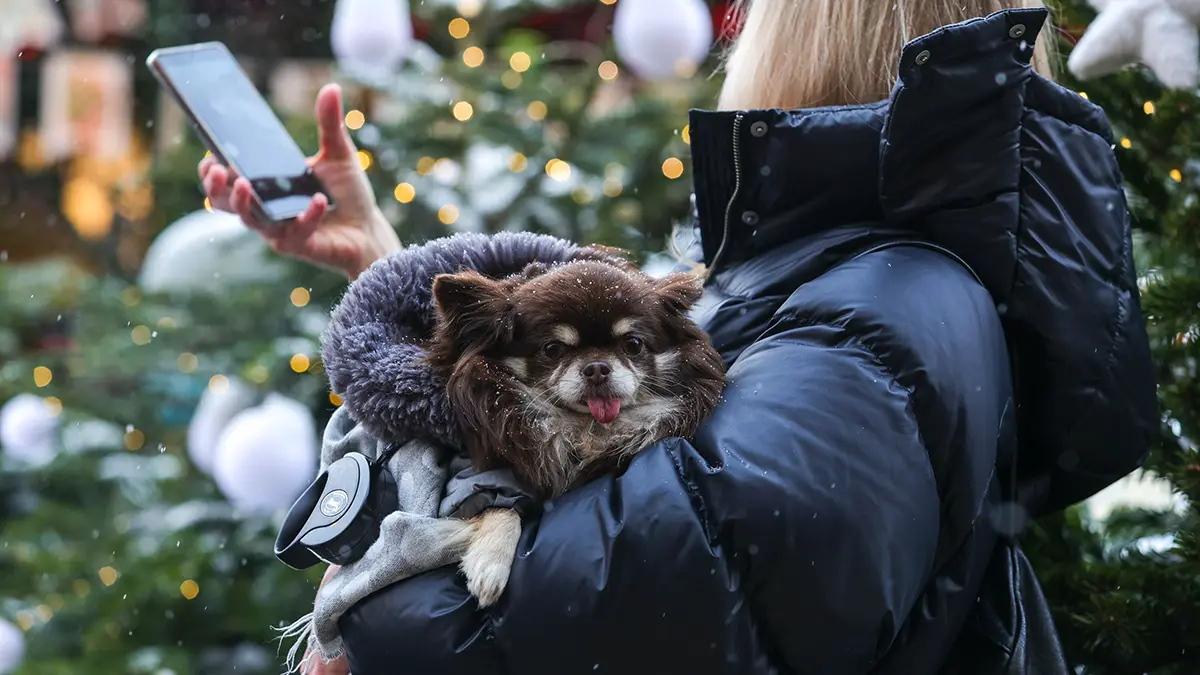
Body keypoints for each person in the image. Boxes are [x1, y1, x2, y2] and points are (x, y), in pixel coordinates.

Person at [200, 1, 1157, 673]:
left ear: (803, 38)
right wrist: (397, 276)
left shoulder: (883, 303)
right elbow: (590, 457)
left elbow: (613, 598)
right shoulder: (857, 277)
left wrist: (373, 588)